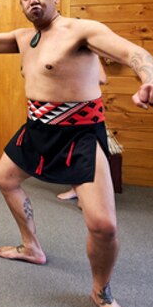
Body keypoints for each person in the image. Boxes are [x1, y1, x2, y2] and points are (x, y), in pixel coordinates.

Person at [0, 0, 153, 307]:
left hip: (80, 134)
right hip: (37, 128)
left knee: (103, 226)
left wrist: (152, 79)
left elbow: (135, 54)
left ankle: (102, 294)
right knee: (4, 177)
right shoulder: (22, 37)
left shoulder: (81, 31)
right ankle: (32, 247)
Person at [57, 57, 108, 202]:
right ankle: (76, 190)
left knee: (84, 155)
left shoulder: (91, 55)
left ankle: (88, 197)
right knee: (68, 152)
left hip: (85, 112)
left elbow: (102, 78)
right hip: (64, 110)